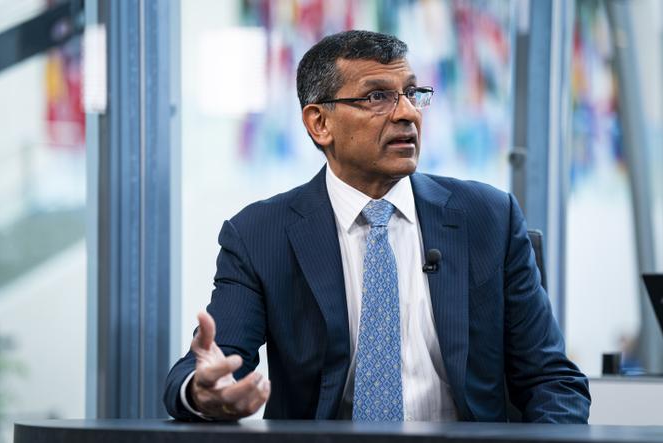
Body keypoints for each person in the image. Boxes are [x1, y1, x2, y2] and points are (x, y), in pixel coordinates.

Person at [164, 30, 591, 423]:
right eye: (377, 97)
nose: (407, 113)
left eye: (412, 93)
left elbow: (552, 380)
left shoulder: (489, 218)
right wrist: (202, 392)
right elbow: (206, 368)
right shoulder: (261, 234)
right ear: (320, 123)